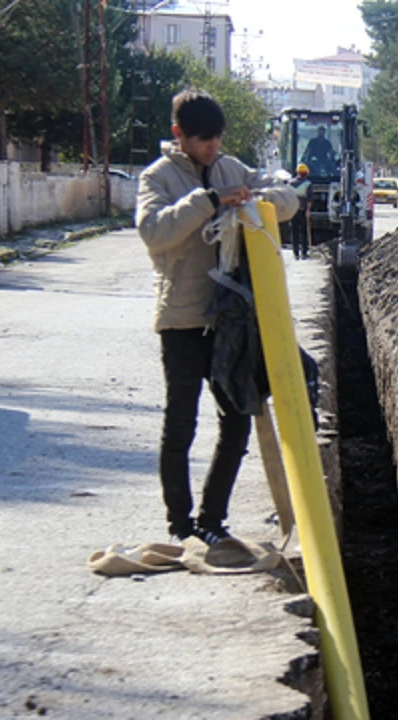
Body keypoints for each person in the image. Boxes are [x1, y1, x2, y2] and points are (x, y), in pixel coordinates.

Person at [135, 89, 297, 544]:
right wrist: (208, 200)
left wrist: (257, 199)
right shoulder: (158, 178)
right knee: (180, 425)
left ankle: (212, 520)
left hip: (230, 322)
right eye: (204, 140)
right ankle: (180, 525)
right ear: (179, 135)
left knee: (236, 421)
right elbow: (154, 232)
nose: (213, 147)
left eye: (218, 139)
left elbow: (287, 200)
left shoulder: (231, 168)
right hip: (182, 320)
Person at [289, 163, 311, 259]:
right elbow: (309, 199)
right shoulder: (308, 184)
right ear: (306, 173)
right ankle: (304, 253)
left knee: (294, 231)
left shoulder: (289, 183)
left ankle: (296, 253)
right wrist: (308, 210)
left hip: (293, 210)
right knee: (304, 231)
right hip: (303, 210)